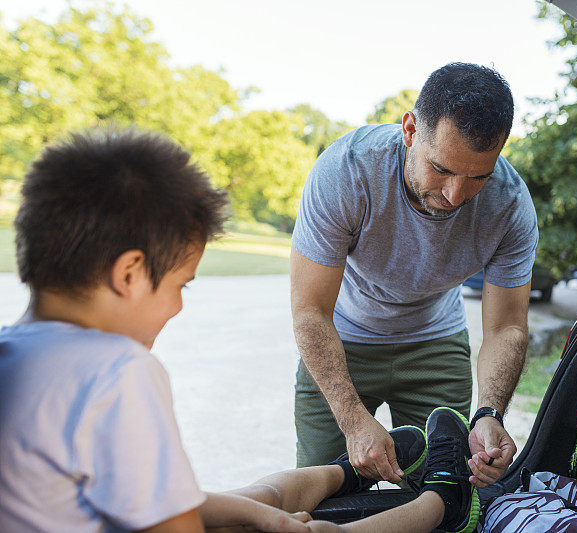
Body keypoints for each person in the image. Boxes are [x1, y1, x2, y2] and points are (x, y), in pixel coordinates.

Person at [0, 127, 481, 533]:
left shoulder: (14, 354)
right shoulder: (118, 372)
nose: (177, 307)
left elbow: (166, 501)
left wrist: (268, 518)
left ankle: (337, 478)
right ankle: (441, 504)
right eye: (181, 285)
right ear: (130, 274)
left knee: (261, 504)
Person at [290, 62, 539, 489]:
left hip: (435, 344)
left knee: (447, 493)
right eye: (441, 168)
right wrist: (353, 421)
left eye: (477, 176)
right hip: (343, 342)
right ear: (409, 130)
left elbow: (507, 327)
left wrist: (489, 414)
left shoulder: (510, 206)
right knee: (318, 491)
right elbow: (310, 309)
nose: (454, 195)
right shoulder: (346, 172)